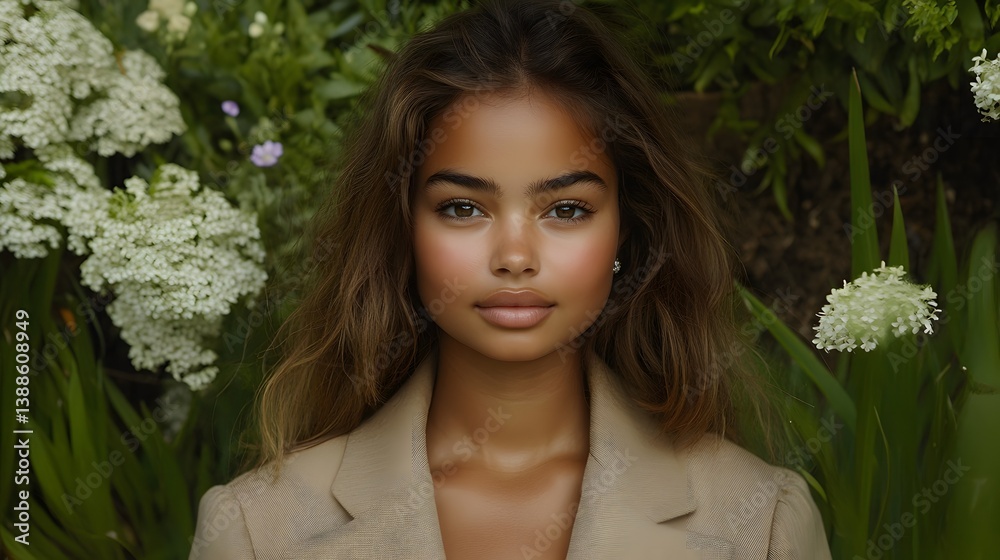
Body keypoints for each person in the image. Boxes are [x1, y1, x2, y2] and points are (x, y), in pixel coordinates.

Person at [189, 0, 832, 558]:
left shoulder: (761, 523)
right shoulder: (254, 532)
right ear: (403, 227)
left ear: (626, 230)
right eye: (463, 208)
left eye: (567, 209)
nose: (515, 255)